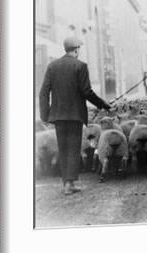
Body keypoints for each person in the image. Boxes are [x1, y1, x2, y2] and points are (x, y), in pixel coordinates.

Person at [39, 36, 111, 195]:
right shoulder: (80, 66)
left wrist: (45, 114)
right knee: (73, 148)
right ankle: (70, 184)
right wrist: (102, 104)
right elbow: (87, 92)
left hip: (57, 116)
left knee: (63, 148)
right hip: (75, 115)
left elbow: (43, 92)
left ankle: (67, 182)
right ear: (77, 49)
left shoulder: (52, 66)